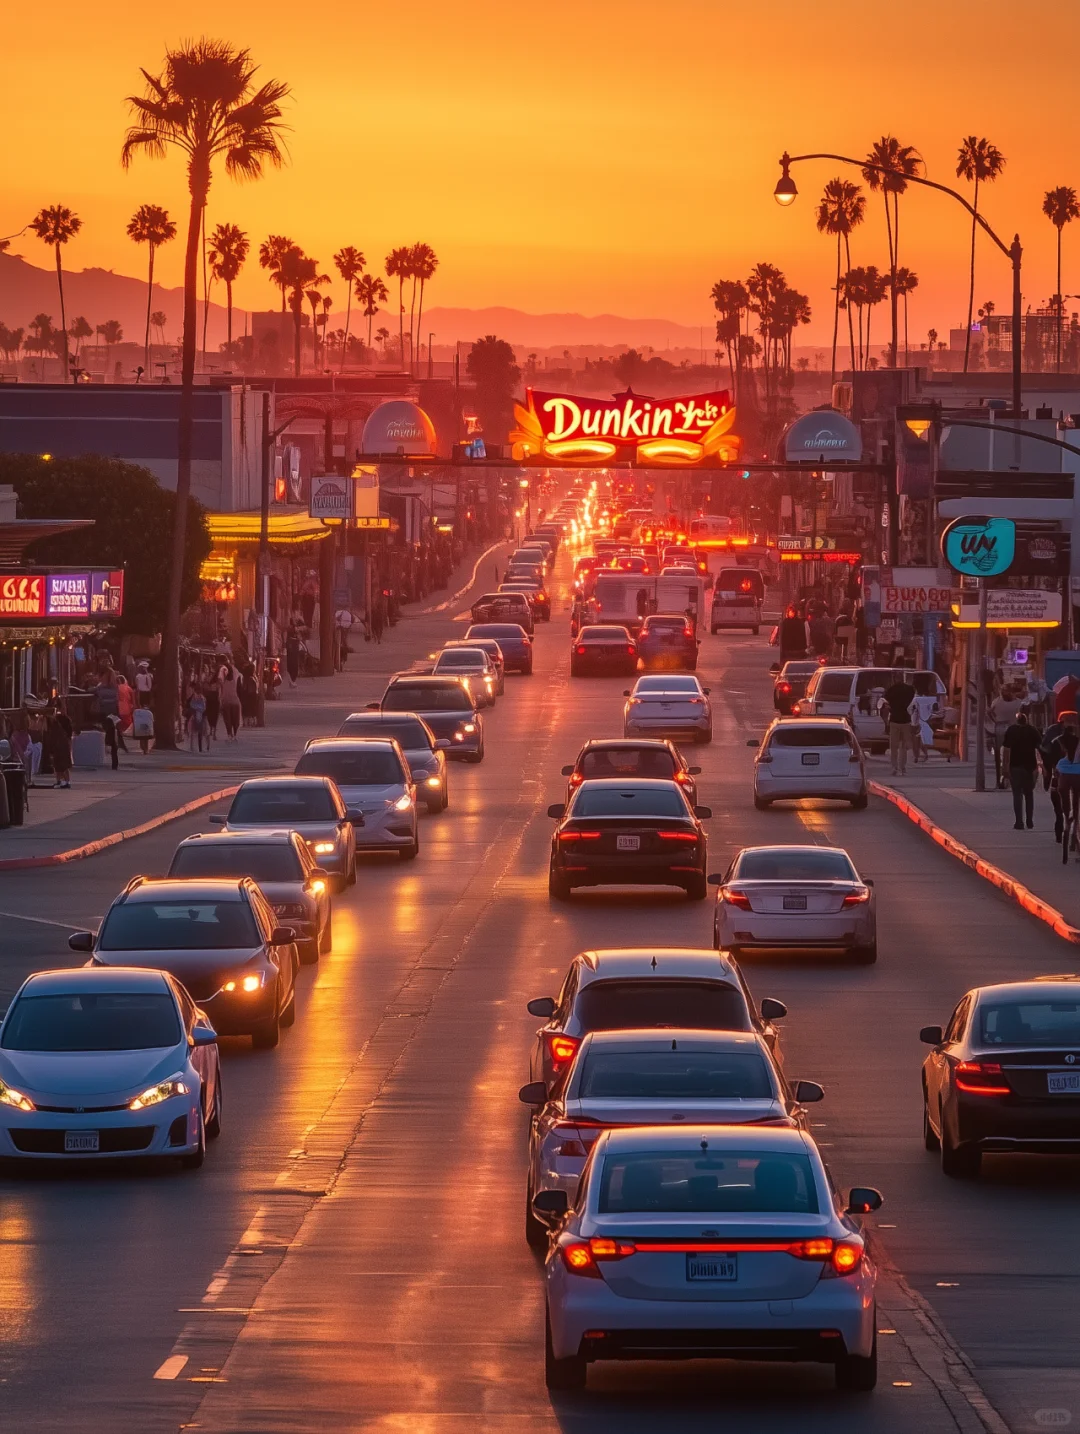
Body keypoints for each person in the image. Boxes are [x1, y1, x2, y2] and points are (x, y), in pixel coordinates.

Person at [1002, 711, 1043, 830]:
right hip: (1030, 766)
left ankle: (1019, 822)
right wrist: (1041, 767)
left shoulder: (1011, 730)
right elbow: (1040, 748)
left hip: (1015, 766)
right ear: (1027, 719)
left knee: (1017, 794)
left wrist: (1005, 767)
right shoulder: (1033, 730)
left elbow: (1006, 750)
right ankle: (1029, 820)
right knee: (1029, 794)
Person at [989, 682, 1024, 790]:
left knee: (1000, 755)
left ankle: (1002, 778)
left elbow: (989, 712)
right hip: (1013, 729)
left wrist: (994, 721)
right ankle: (1012, 777)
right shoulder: (1019, 703)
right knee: (1014, 755)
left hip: (1000, 727)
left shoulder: (997, 701)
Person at [882, 672, 917, 776]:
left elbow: (886, 704)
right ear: (903, 678)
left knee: (894, 746)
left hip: (894, 720)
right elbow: (913, 703)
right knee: (903, 746)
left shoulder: (891, 690)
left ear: (895, 679)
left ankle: (894, 767)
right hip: (906, 720)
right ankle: (903, 767)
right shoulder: (910, 690)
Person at [1056, 730, 1080, 859]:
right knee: (1077, 804)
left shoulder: (1062, 762)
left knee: (1065, 801)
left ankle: (1067, 819)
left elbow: (1057, 777)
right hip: (1077, 782)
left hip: (1064, 783)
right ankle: (1074, 832)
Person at [44, 712, 73, 789]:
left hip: (58, 748)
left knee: (59, 766)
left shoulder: (56, 728)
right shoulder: (65, 732)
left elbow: (52, 738)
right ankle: (66, 781)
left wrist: (50, 748)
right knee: (64, 766)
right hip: (64, 747)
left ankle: (61, 781)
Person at [219, 661, 241, 740]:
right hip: (235, 701)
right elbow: (239, 689)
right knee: (235, 719)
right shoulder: (236, 677)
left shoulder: (223, 679)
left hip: (226, 701)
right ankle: (234, 734)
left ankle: (229, 734)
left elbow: (220, 688)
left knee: (227, 719)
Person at [185, 683, 208, 753]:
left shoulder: (200, 698)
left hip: (198, 715)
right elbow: (203, 707)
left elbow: (192, 705)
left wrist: (196, 708)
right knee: (199, 732)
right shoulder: (197, 698)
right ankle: (199, 747)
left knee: (197, 732)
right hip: (198, 715)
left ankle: (196, 747)